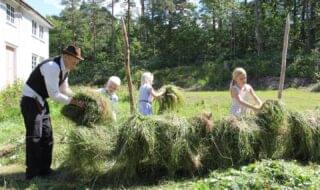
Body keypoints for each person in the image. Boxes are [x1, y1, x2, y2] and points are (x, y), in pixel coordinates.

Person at [20, 45, 85, 180]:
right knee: (35, 137)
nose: (76, 64)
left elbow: (64, 89)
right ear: (66, 57)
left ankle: (45, 170)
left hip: (41, 101)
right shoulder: (52, 67)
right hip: (31, 101)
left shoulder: (65, 69)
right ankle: (32, 173)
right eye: (75, 61)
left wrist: (79, 97)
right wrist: (73, 102)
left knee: (48, 135)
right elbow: (55, 95)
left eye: (77, 61)